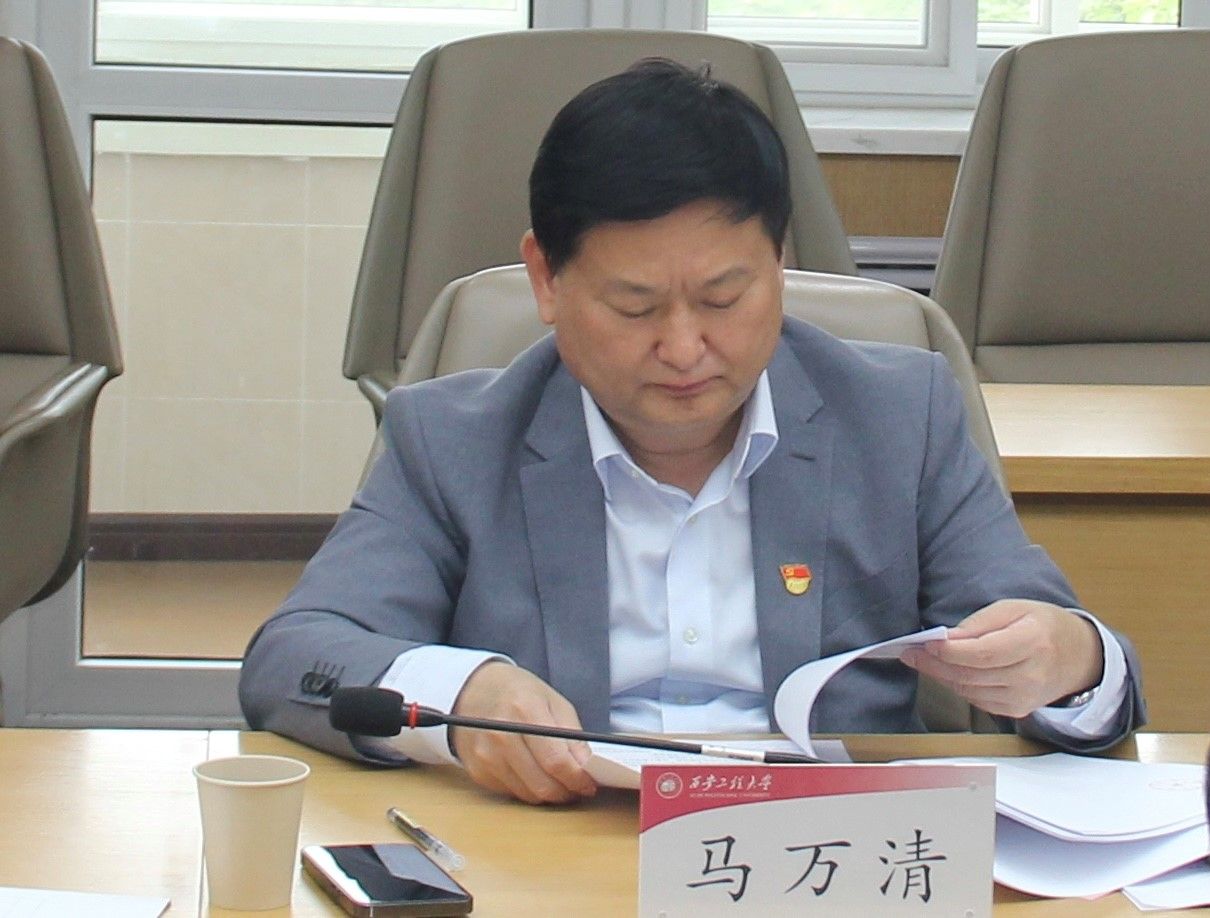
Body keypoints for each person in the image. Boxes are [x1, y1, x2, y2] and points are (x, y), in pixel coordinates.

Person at [240, 59, 1145, 805]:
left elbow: (1078, 662)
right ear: (546, 279)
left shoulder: (898, 415)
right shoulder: (453, 438)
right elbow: (293, 658)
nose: (683, 348)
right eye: (635, 306)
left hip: (829, 854)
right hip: (567, 847)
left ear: (779, 264)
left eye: (723, 297)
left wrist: (1067, 659)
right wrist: (460, 693)